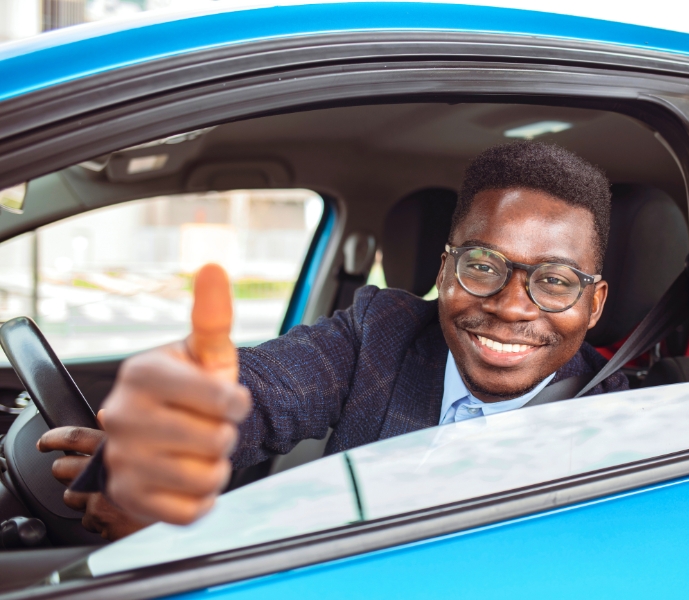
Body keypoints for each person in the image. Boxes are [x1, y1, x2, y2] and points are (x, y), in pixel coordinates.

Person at [36, 141, 628, 539]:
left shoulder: (632, 426)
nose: (508, 305)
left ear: (594, 303)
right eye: (482, 266)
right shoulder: (384, 331)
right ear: (445, 271)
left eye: (554, 281)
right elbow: (258, 388)